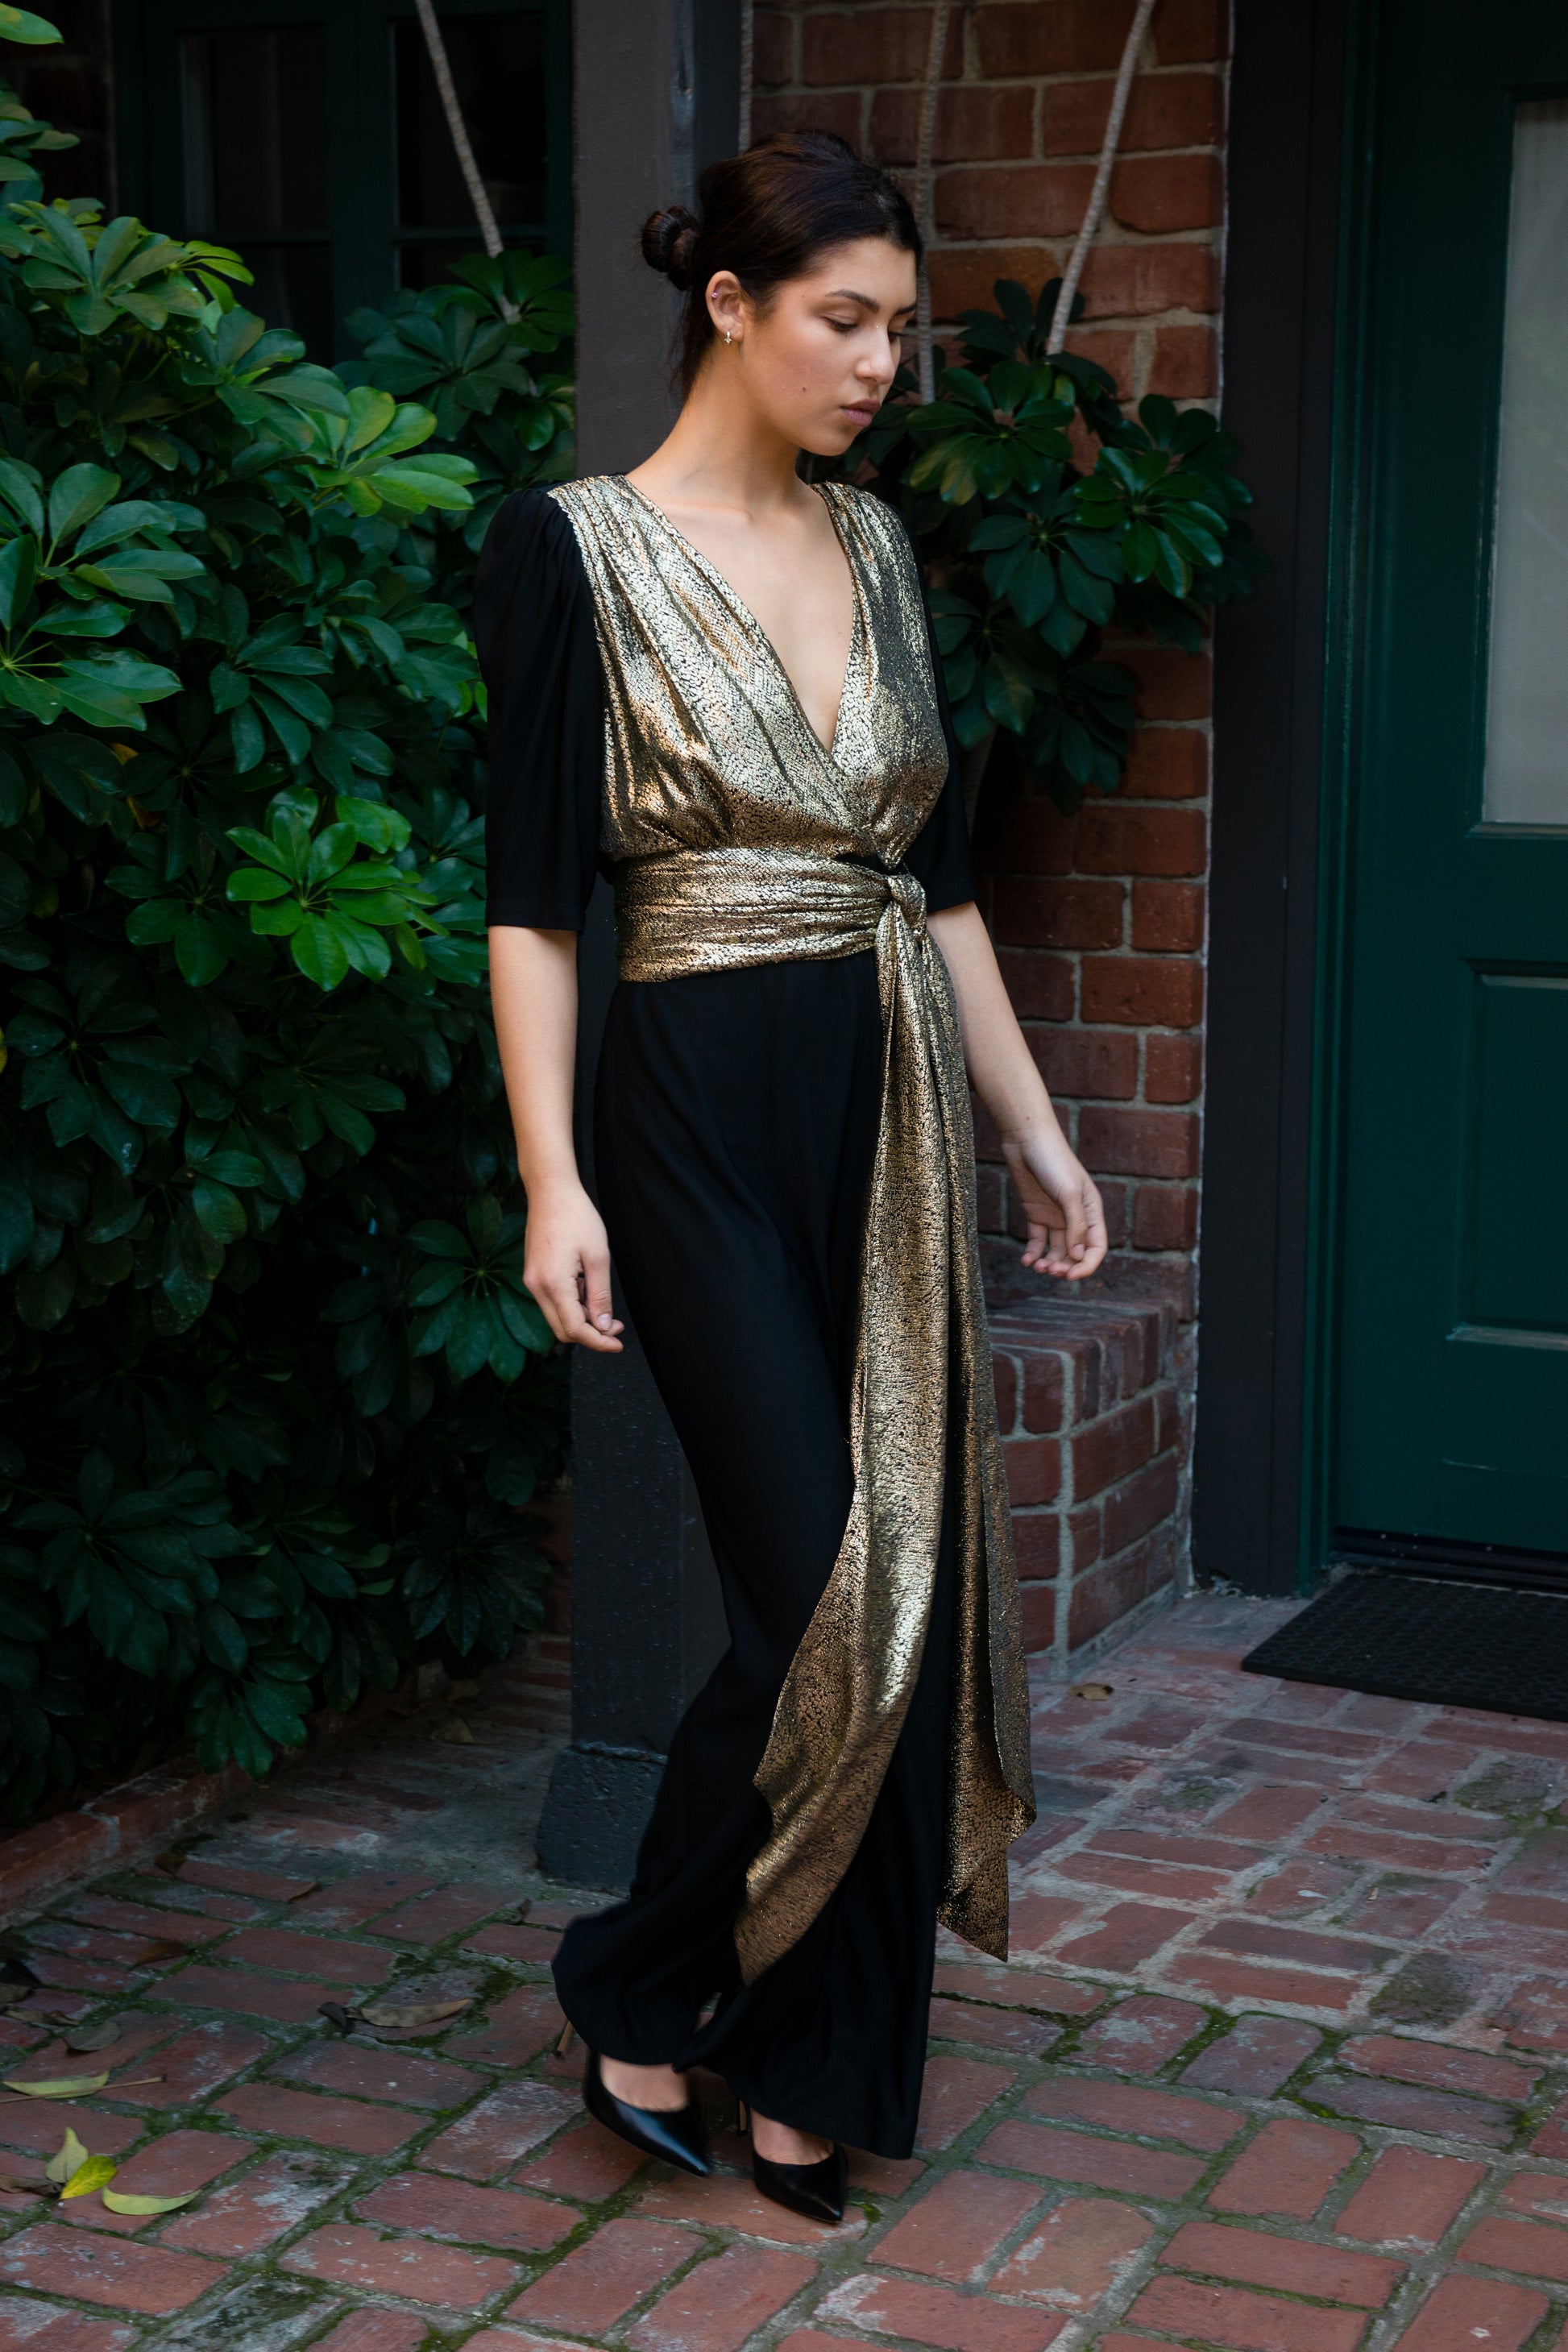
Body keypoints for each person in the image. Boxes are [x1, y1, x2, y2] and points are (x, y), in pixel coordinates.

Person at [479, 130, 1108, 2225]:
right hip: (679, 1105)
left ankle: (799, 2060)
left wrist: (1031, 1130)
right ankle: (636, 1973)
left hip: (892, 1104)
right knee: (842, 1566)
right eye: (844, 320)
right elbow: (533, 907)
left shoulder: (884, 553)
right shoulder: (568, 549)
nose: (876, 366)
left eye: (899, 333)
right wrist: (550, 1178)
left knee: (891, 1587)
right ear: (731, 308)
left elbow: (929, 891)